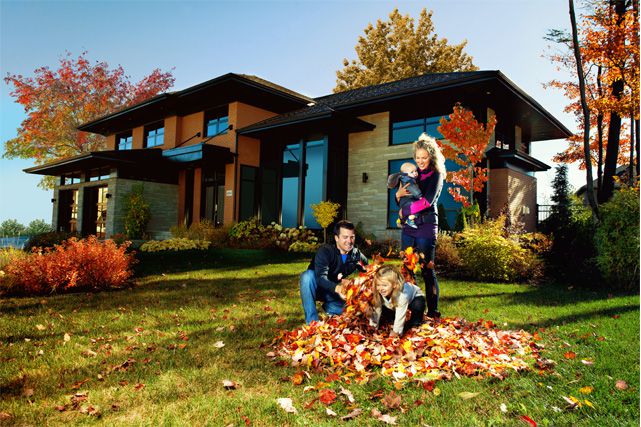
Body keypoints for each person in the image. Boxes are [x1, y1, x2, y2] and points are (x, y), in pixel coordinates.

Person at [395, 133, 445, 319]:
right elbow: (401, 197)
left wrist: (404, 211)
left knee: (427, 270)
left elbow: (426, 202)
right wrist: (398, 196)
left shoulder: (436, 175)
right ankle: (413, 310)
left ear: (431, 156)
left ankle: (433, 312)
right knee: (407, 269)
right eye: (417, 157)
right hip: (409, 228)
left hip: (426, 227)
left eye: (424, 157)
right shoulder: (412, 173)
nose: (420, 161)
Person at [300, 219, 368, 324]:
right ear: (336, 238)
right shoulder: (325, 251)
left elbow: (368, 270)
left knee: (354, 313)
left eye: (352, 237)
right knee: (307, 276)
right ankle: (312, 322)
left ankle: (330, 308)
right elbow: (320, 278)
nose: (349, 241)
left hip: (334, 295)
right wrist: (337, 288)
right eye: (345, 237)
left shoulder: (356, 254)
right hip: (318, 288)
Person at [368, 265, 426, 337]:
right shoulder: (379, 293)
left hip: (415, 297)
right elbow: (377, 310)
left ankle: (415, 323)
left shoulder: (402, 295)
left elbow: (400, 315)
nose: (381, 288)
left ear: (394, 285)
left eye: (384, 285)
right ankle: (392, 320)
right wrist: (373, 328)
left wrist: (396, 332)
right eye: (378, 285)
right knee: (385, 311)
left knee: (417, 306)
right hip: (392, 303)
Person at [387, 162, 423, 229]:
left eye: (415, 171)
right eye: (412, 172)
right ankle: (410, 219)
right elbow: (413, 189)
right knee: (417, 209)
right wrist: (420, 196)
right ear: (405, 174)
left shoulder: (404, 179)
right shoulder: (408, 180)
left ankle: (400, 220)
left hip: (404, 201)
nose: (415, 173)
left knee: (406, 211)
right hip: (408, 201)